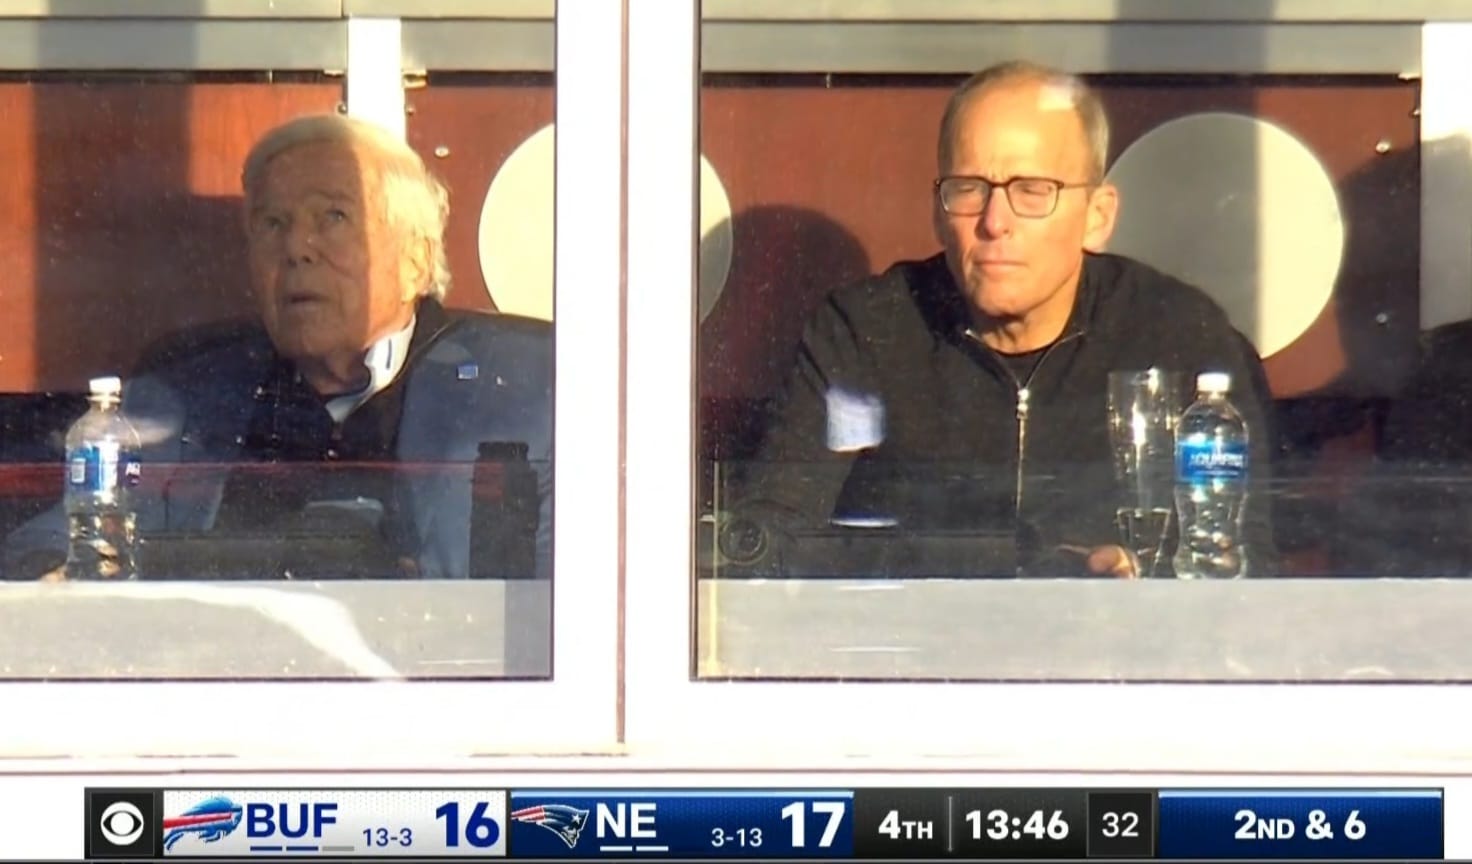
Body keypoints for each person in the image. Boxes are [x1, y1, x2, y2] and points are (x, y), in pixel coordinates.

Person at [730, 61, 1275, 578]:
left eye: (1032, 191)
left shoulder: (1175, 334)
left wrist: (1139, 578)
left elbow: (1247, 562)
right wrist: (1009, 561)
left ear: (1098, 215)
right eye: (969, 189)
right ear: (937, 213)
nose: (995, 222)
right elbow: (770, 543)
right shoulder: (865, 330)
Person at [4, 113, 552, 580]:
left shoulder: (526, 389)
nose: (296, 248)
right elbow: (53, 544)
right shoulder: (190, 391)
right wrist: (56, 578)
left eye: (334, 217)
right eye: (273, 223)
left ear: (415, 259)